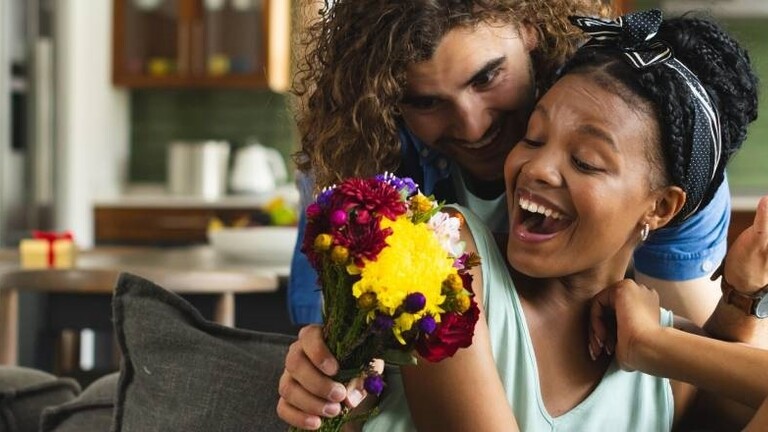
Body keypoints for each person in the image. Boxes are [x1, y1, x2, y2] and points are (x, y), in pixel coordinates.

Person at [279, 9, 768, 431]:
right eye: (533, 138)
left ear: (661, 209)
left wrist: (669, 335)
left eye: (586, 161)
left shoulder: (661, 351)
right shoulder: (444, 264)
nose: (535, 167)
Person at [288, 0, 735, 330]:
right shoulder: (360, 148)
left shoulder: (648, 133)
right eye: (426, 102)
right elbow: (341, 345)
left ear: (528, 28)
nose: (472, 125)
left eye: (486, 77)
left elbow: (702, 373)